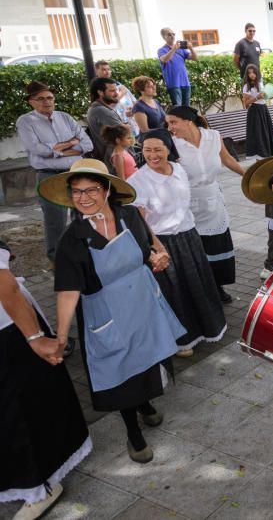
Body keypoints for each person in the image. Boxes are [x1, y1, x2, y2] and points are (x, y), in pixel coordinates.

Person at [43, 159, 183, 463]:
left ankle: (145, 405)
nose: (83, 198)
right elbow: (68, 291)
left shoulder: (129, 216)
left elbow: (148, 247)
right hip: (107, 315)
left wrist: (157, 257)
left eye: (91, 189)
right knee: (121, 373)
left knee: (145, 359)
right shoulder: (72, 239)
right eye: (76, 192)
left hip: (142, 304)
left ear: (107, 189)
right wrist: (62, 337)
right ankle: (133, 433)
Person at [0, 237, 91, 519]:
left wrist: (35, 338)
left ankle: (40, 486)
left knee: (16, 412)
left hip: (9, 330)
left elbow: (8, 289)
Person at [128, 130, 227, 357]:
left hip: (188, 236)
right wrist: (156, 246)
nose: (152, 155)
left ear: (168, 149)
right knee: (174, 291)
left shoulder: (179, 169)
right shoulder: (138, 181)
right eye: (147, 150)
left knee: (197, 284)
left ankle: (207, 328)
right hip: (162, 242)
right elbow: (139, 221)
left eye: (158, 149)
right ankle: (182, 340)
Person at [167, 105, 244, 301]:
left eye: (173, 122)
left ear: (188, 121)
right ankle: (202, 291)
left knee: (216, 246)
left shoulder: (213, 136)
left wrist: (250, 176)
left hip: (213, 200)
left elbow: (227, 159)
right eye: (168, 123)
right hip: (188, 202)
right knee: (197, 249)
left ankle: (217, 288)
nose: (170, 127)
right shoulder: (172, 144)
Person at [16, 81, 93, 262]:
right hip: (50, 175)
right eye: (40, 98)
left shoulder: (64, 117)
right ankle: (58, 260)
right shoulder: (26, 121)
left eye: (50, 97)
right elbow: (39, 150)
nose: (47, 102)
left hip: (76, 172)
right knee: (55, 222)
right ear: (31, 102)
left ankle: (86, 253)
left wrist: (55, 150)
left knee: (83, 214)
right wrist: (72, 143)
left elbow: (87, 144)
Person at [86, 77, 128, 167]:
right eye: (112, 91)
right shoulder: (101, 110)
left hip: (117, 159)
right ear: (100, 92)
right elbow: (125, 132)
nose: (116, 93)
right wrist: (127, 127)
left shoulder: (100, 108)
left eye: (116, 90)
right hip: (117, 161)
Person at [242, 63, 273, 159]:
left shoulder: (260, 83)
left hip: (263, 110)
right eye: (249, 73)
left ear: (257, 72)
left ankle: (267, 157)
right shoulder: (246, 86)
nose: (252, 74)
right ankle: (259, 161)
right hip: (254, 112)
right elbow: (245, 104)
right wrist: (257, 97)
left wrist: (269, 95)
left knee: (266, 134)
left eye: (253, 72)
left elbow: (264, 97)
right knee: (258, 136)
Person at [157, 28, 197, 106]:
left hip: (185, 83)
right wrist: (174, 49)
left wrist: (191, 48)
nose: (172, 36)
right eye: (169, 34)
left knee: (187, 108)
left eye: (173, 34)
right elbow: (165, 59)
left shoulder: (181, 49)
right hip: (173, 84)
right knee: (178, 109)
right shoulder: (161, 50)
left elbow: (195, 58)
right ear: (163, 37)